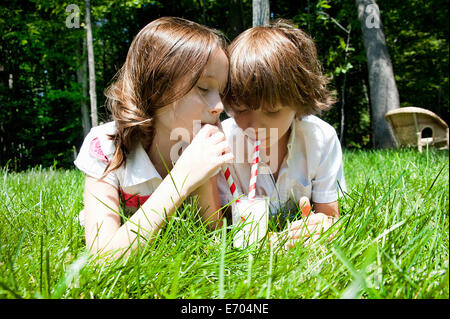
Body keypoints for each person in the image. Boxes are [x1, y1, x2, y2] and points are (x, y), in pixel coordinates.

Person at [74, 17, 233, 259]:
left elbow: (215, 240)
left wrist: (203, 176)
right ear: (156, 87)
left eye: (220, 92)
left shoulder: (201, 147)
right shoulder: (106, 146)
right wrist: (182, 178)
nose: (219, 106)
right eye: (203, 89)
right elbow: (101, 259)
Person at [217, 20, 346, 249]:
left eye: (272, 111)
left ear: (299, 101)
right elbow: (220, 227)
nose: (255, 125)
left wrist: (321, 226)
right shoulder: (223, 144)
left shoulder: (320, 139)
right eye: (242, 109)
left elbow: (330, 216)